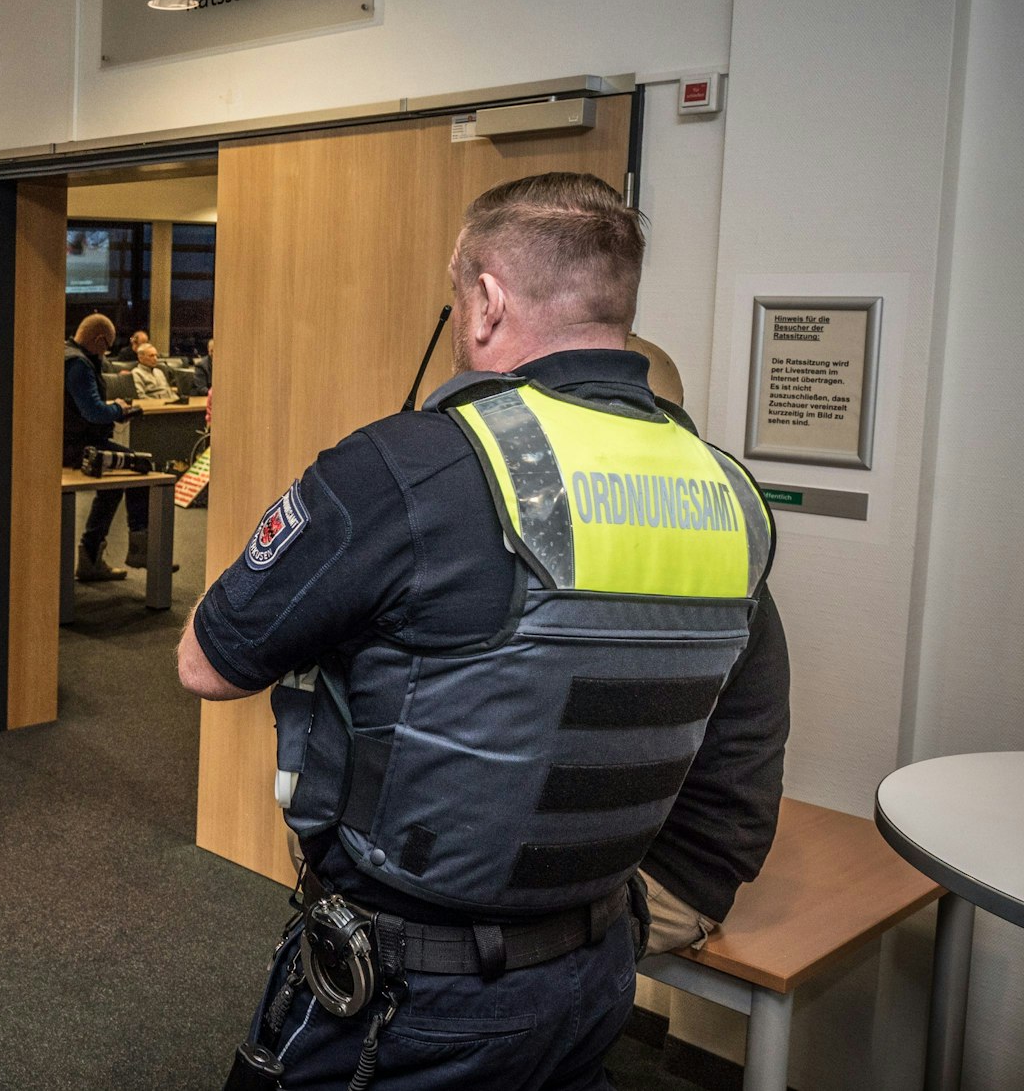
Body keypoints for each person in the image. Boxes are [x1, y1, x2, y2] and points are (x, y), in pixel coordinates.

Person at [179, 172, 785, 1090]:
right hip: (592, 972)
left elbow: (208, 663)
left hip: (414, 988)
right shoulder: (730, 499)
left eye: (460, 295)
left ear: (489, 297)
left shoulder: (410, 466)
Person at [64, 313, 149, 578]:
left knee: (112, 490)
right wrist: (118, 408)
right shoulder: (78, 364)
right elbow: (93, 412)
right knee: (139, 465)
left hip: (71, 442)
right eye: (106, 346)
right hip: (78, 447)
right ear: (100, 340)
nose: (105, 354)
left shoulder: (67, 355)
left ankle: (89, 559)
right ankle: (140, 548)